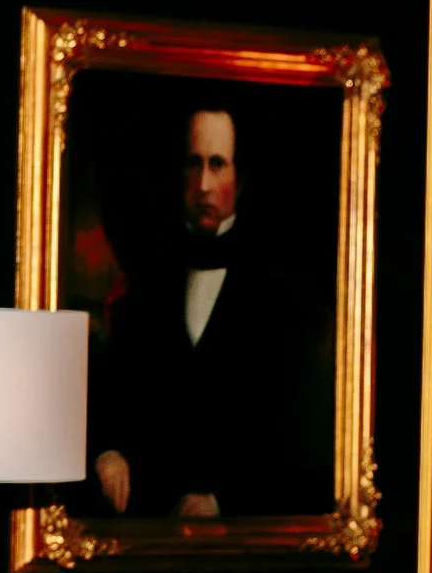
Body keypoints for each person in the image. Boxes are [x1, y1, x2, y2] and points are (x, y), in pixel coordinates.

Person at [91, 98, 332, 521]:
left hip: (243, 538)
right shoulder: (145, 284)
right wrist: (108, 451)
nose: (202, 184)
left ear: (239, 181)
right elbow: (117, 396)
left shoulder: (282, 296)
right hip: (147, 527)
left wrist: (225, 501)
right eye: (193, 164)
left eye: (217, 164)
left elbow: (297, 430)